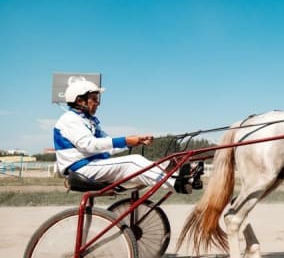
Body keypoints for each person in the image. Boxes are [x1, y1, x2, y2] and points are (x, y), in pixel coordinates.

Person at [53, 78, 191, 194]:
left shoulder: (89, 121)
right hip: (82, 168)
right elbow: (89, 145)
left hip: (93, 165)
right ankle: (176, 182)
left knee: (139, 166)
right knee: (133, 162)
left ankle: (171, 172)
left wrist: (134, 142)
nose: (98, 103)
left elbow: (107, 145)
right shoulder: (69, 119)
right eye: (94, 99)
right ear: (79, 101)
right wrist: (125, 140)